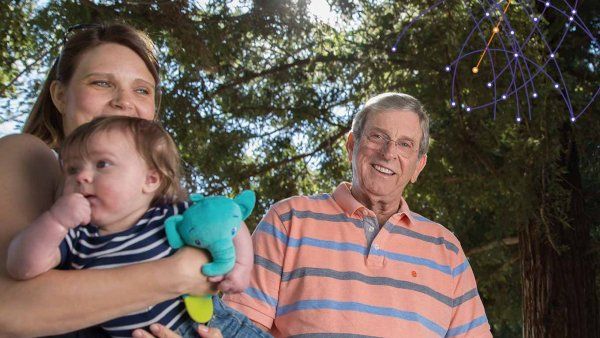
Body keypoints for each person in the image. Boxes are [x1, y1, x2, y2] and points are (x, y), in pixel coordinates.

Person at [0, 23, 224, 337]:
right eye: (102, 83)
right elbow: (8, 309)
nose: (124, 101)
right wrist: (179, 272)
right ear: (61, 95)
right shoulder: (30, 155)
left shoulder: (154, 198)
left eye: (142, 90)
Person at [224, 93, 493, 337]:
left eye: (405, 144)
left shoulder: (447, 250)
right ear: (352, 145)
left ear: (418, 167)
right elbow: (238, 327)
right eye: (378, 136)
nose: (388, 153)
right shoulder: (288, 220)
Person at [7, 116, 254, 337]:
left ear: (150, 180)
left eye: (102, 164)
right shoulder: (77, 239)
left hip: (218, 327)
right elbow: (21, 267)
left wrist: (242, 266)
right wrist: (56, 221)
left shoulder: (170, 214)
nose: (81, 177)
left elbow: (230, 219)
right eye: (72, 169)